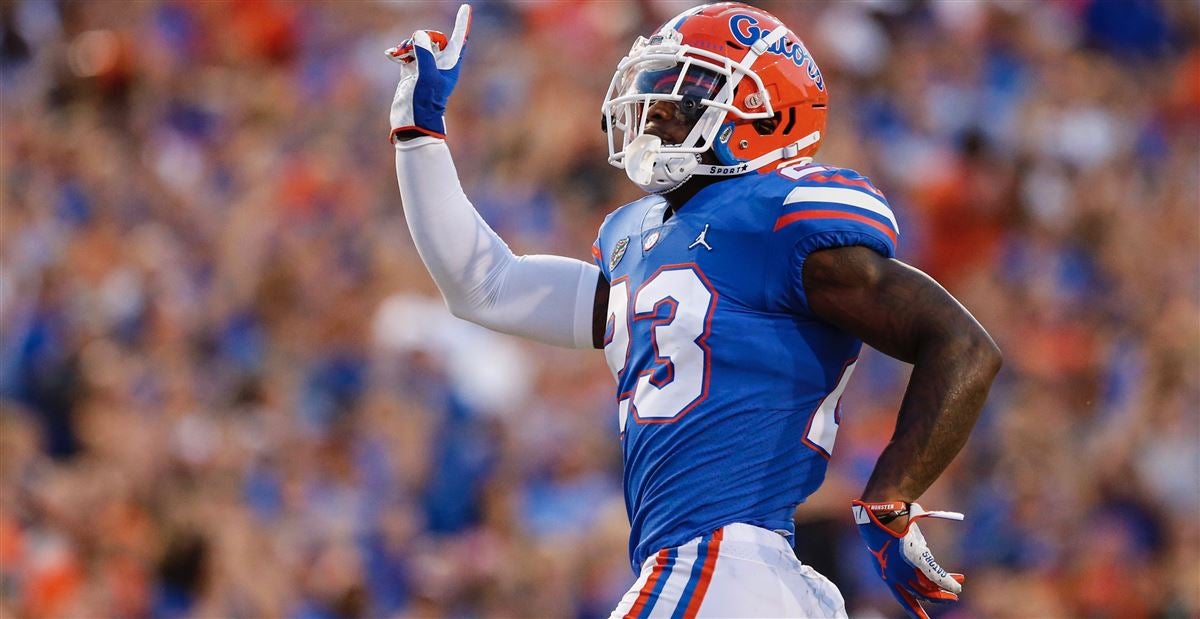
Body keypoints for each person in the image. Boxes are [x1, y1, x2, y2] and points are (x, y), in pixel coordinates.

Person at [387, 3, 1002, 617]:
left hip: (721, 562)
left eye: (686, 90)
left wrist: (890, 495)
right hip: (727, 578)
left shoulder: (775, 216)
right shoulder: (639, 241)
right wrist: (421, 136)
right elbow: (486, 286)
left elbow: (962, 345)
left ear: (766, 114)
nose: (654, 106)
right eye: (654, 86)